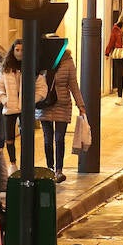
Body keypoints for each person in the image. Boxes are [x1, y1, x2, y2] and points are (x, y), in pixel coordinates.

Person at [36, 49, 86, 183]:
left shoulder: (67, 62)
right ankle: (50, 168)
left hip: (62, 104)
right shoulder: (42, 60)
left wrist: (80, 105)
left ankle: (59, 170)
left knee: (59, 138)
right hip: (45, 104)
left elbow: (73, 84)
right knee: (47, 139)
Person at [0, 39, 43, 165]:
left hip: (25, 107)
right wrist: (3, 99)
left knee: (26, 136)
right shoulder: (5, 68)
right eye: (17, 50)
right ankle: (13, 163)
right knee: (9, 138)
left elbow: (42, 87)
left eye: (22, 50)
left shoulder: (32, 68)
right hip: (9, 107)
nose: (19, 53)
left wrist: (33, 100)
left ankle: (25, 164)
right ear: (13, 50)